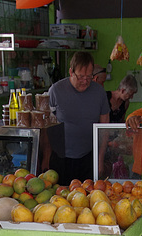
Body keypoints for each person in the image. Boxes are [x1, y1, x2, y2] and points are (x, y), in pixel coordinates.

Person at [48, 52, 109, 185]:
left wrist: (100, 158)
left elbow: (105, 128)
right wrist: (45, 160)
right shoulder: (56, 90)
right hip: (61, 158)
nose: (85, 81)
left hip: (88, 157)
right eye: (81, 77)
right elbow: (47, 128)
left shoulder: (99, 92)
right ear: (71, 72)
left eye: (89, 76)